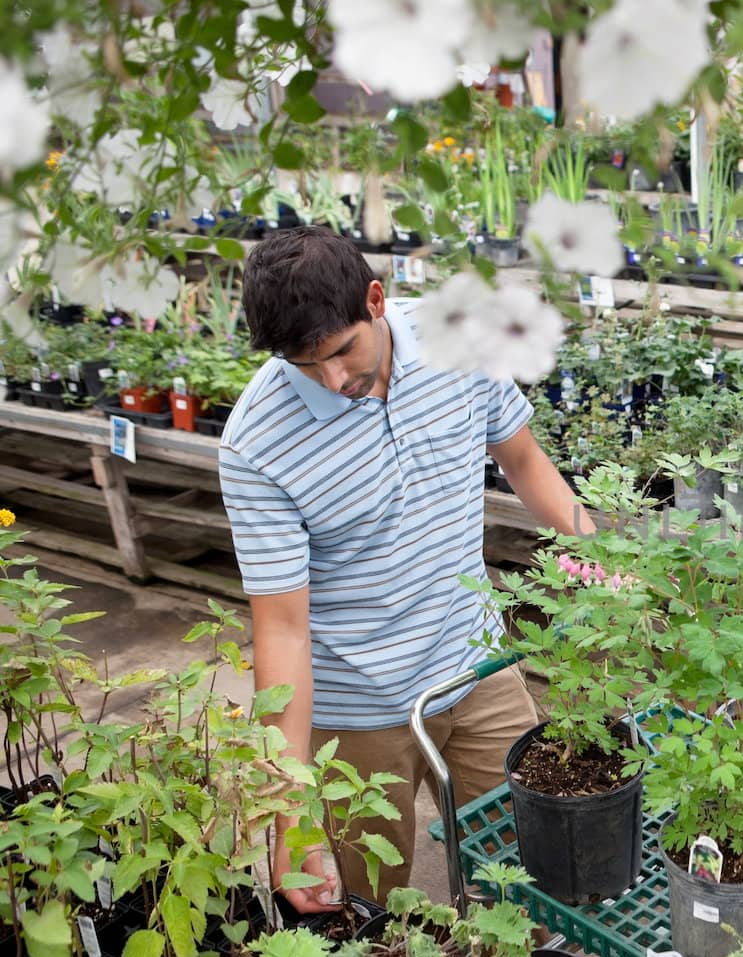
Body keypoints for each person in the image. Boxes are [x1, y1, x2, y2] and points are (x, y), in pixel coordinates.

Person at [219, 226, 594, 915]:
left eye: (340, 351)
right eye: (306, 366)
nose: (334, 380)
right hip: (356, 712)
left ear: (376, 299)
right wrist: (288, 809)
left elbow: (524, 460)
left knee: (532, 877)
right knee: (362, 913)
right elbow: (282, 634)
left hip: (475, 668)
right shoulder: (257, 442)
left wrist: (599, 557)